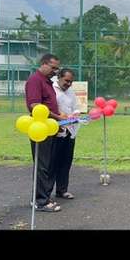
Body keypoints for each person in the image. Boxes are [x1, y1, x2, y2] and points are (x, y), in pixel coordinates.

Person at [25, 54, 68, 213]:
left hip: (49, 128)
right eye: (53, 67)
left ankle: (43, 196)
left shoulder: (47, 82)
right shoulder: (35, 80)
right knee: (42, 166)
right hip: (40, 130)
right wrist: (57, 117)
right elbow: (35, 106)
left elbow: (48, 105)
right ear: (43, 64)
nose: (55, 71)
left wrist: (57, 123)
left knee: (48, 165)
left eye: (57, 68)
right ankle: (40, 201)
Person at [52, 68, 81, 200]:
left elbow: (76, 107)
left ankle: (62, 190)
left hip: (70, 130)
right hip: (56, 131)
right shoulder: (52, 89)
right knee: (52, 162)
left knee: (66, 161)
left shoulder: (70, 91)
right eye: (66, 81)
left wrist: (75, 114)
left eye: (71, 82)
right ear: (59, 77)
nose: (68, 84)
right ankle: (46, 193)